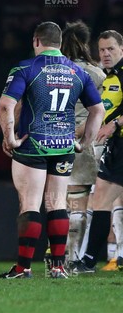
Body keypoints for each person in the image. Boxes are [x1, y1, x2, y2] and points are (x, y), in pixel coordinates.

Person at [0, 22, 104, 279]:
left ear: (36, 41)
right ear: (59, 43)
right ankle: (58, 266)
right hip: (63, 145)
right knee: (57, 204)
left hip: (33, 144)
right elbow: (98, 110)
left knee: (30, 204)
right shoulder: (77, 71)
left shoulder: (26, 68)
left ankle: (23, 268)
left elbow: (6, 105)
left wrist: (10, 137)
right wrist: (85, 142)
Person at [74, 30, 123, 273]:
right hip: (117, 148)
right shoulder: (109, 79)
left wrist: (115, 125)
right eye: (102, 49)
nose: (105, 54)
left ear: (121, 49)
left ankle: (91, 259)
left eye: (110, 49)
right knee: (101, 198)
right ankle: (90, 260)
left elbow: (110, 121)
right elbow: (101, 116)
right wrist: (71, 132)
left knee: (102, 199)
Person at [59, 20, 106, 265]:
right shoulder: (95, 73)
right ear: (85, 43)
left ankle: (56, 255)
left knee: (57, 203)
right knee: (79, 203)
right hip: (82, 143)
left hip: (51, 142)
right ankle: (74, 257)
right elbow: (102, 109)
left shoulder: (52, 70)